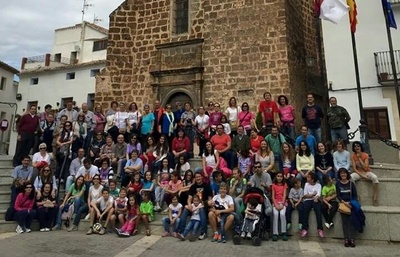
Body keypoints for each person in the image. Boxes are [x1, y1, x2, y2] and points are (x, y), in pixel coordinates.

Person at [178, 172, 213, 240]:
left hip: (203, 206)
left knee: (201, 209)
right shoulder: (193, 187)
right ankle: (181, 231)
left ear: (202, 177)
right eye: (196, 177)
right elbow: (189, 199)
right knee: (185, 209)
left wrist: (207, 204)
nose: (198, 178)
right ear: (195, 178)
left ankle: (203, 232)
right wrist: (189, 204)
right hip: (194, 206)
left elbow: (210, 199)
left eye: (199, 176)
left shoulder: (206, 186)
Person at [350, 141, 379, 206]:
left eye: (358, 146)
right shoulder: (353, 156)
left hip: (367, 172)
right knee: (350, 178)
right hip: (358, 173)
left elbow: (366, 168)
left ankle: (375, 197)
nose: (356, 147)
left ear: (360, 147)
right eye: (355, 146)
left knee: (375, 178)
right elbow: (354, 168)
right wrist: (362, 175)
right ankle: (356, 195)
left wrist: (359, 158)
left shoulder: (365, 155)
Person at [336, 168, 358, 247]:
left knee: (351, 222)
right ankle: (346, 239)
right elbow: (338, 195)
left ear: (347, 174)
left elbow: (355, 195)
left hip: (351, 204)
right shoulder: (338, 183)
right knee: (344, 223)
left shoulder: (351, 184)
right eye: (341, 173)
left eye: (344, 173)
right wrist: (344, 202)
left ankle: (352, 239)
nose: (343, 175)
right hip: (343, 204)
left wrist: (351, 203)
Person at [301, 172, 325, 238]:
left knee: (318, 211)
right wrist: (312, 195)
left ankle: (320, 229)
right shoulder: (306, 184)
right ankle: (305, 228)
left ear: (312, 179)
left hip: (315, 200)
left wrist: (316, 197)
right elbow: (305, 195)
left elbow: (318, 194)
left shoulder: (318, 185)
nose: (307, 178)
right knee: (305, 209)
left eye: (309, 177)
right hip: (308, 200)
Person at [271, 172, 288, 241]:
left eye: (281, 176)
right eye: (278, 176)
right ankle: (275, 233)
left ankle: (284, 232)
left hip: (283, 202)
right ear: (276, 177)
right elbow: (273, 196)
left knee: (282, 214)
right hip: (275, 202)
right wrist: (275, 205)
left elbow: (284, 195)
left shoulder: (285, 185)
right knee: (275, 214)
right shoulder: (273, 185)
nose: (279, 178)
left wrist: (282, 204)